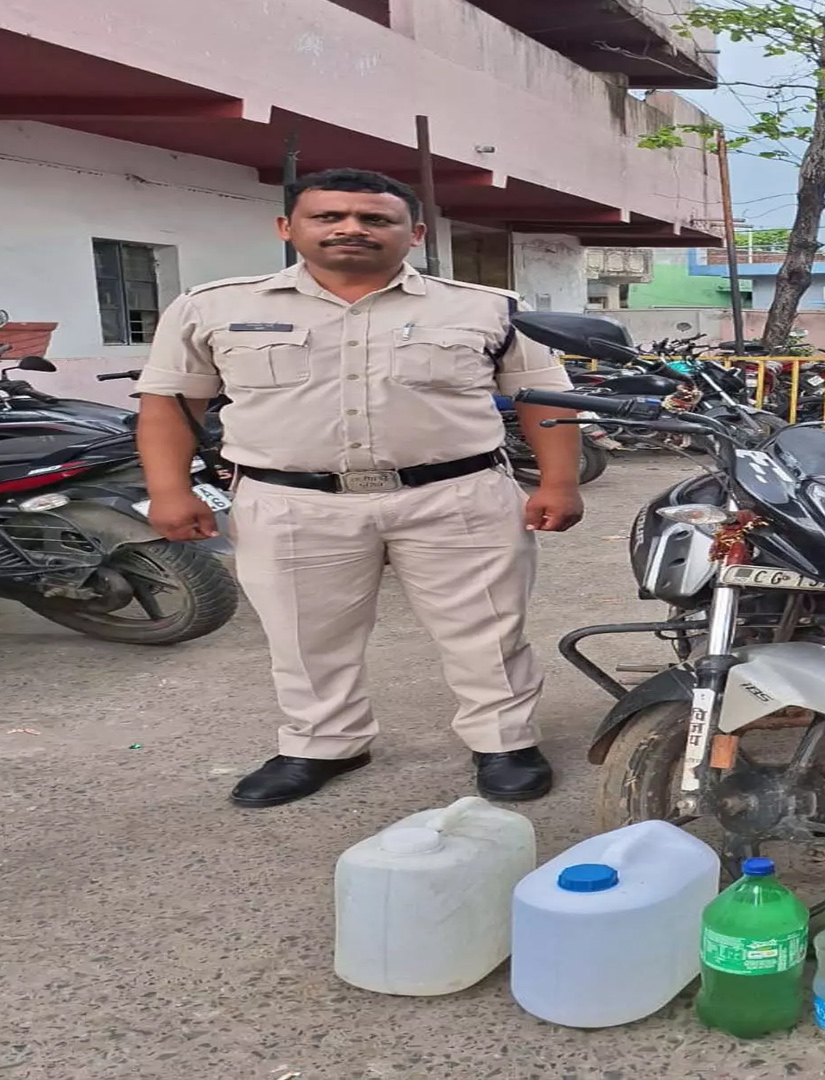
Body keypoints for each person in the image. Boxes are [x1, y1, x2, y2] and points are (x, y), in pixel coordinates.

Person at [134, 168, 585, 808]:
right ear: (288, 228)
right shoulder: (214, 307)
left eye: (375, 219)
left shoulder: (484, 307)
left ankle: (504, 741)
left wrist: (561, 482)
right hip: (292, 501)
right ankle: (324, 744)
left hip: (454, 495)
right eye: (329, 217)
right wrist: (169, 491)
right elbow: (170, 405)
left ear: (415, 234)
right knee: (303, 634)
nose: (352, 228)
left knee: (487, 629)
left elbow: (544, 399)